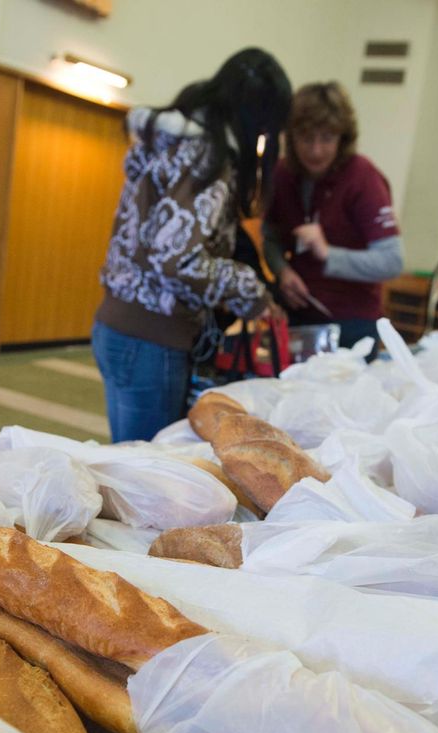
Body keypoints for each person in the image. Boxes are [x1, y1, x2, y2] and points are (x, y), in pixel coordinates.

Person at [93, 48, 291, 443]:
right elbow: (178, 261)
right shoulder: (206, 156)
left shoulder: (170, 143)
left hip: (117, 325)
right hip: (153, 336)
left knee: (129, 456)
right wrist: (250, 290)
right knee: (150, 467)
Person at [261, 82, 404, 354]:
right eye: (306, 139)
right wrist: (282, 271)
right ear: (291, 137)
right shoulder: (283, 174)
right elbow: (270, 236)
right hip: (299, 319)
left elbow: (392, 261)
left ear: (342, 138)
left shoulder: (362, 177)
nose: (316, 151)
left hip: (352, 325)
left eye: (326, 139)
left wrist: (328, 254)